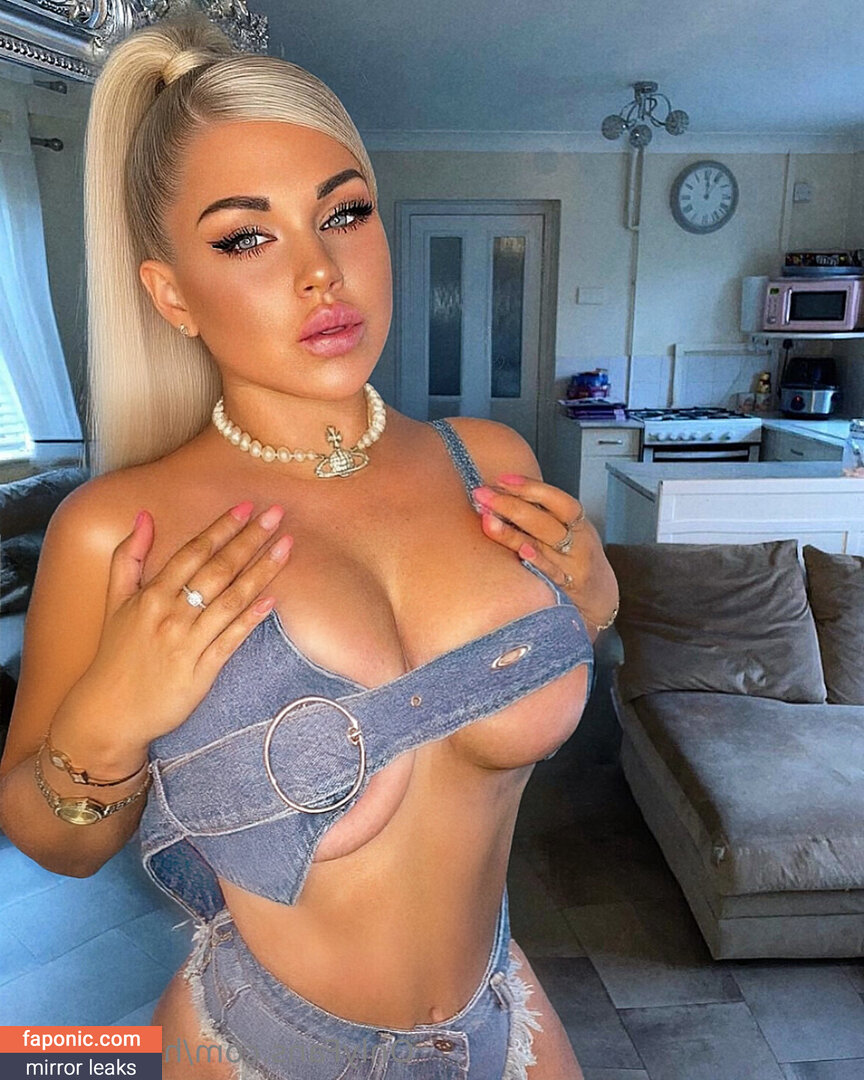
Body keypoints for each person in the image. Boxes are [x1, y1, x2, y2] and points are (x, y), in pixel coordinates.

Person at [0, 9, 619, 1079]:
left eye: (344, 213)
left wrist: (596, 606)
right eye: (246, 237)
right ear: (171, 294)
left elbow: (552, 666)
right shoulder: (118, 528)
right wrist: (106, 721)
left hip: (505, 1023)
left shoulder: (491, 461)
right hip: (258, 1049)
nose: (321, 270)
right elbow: (57, 840)